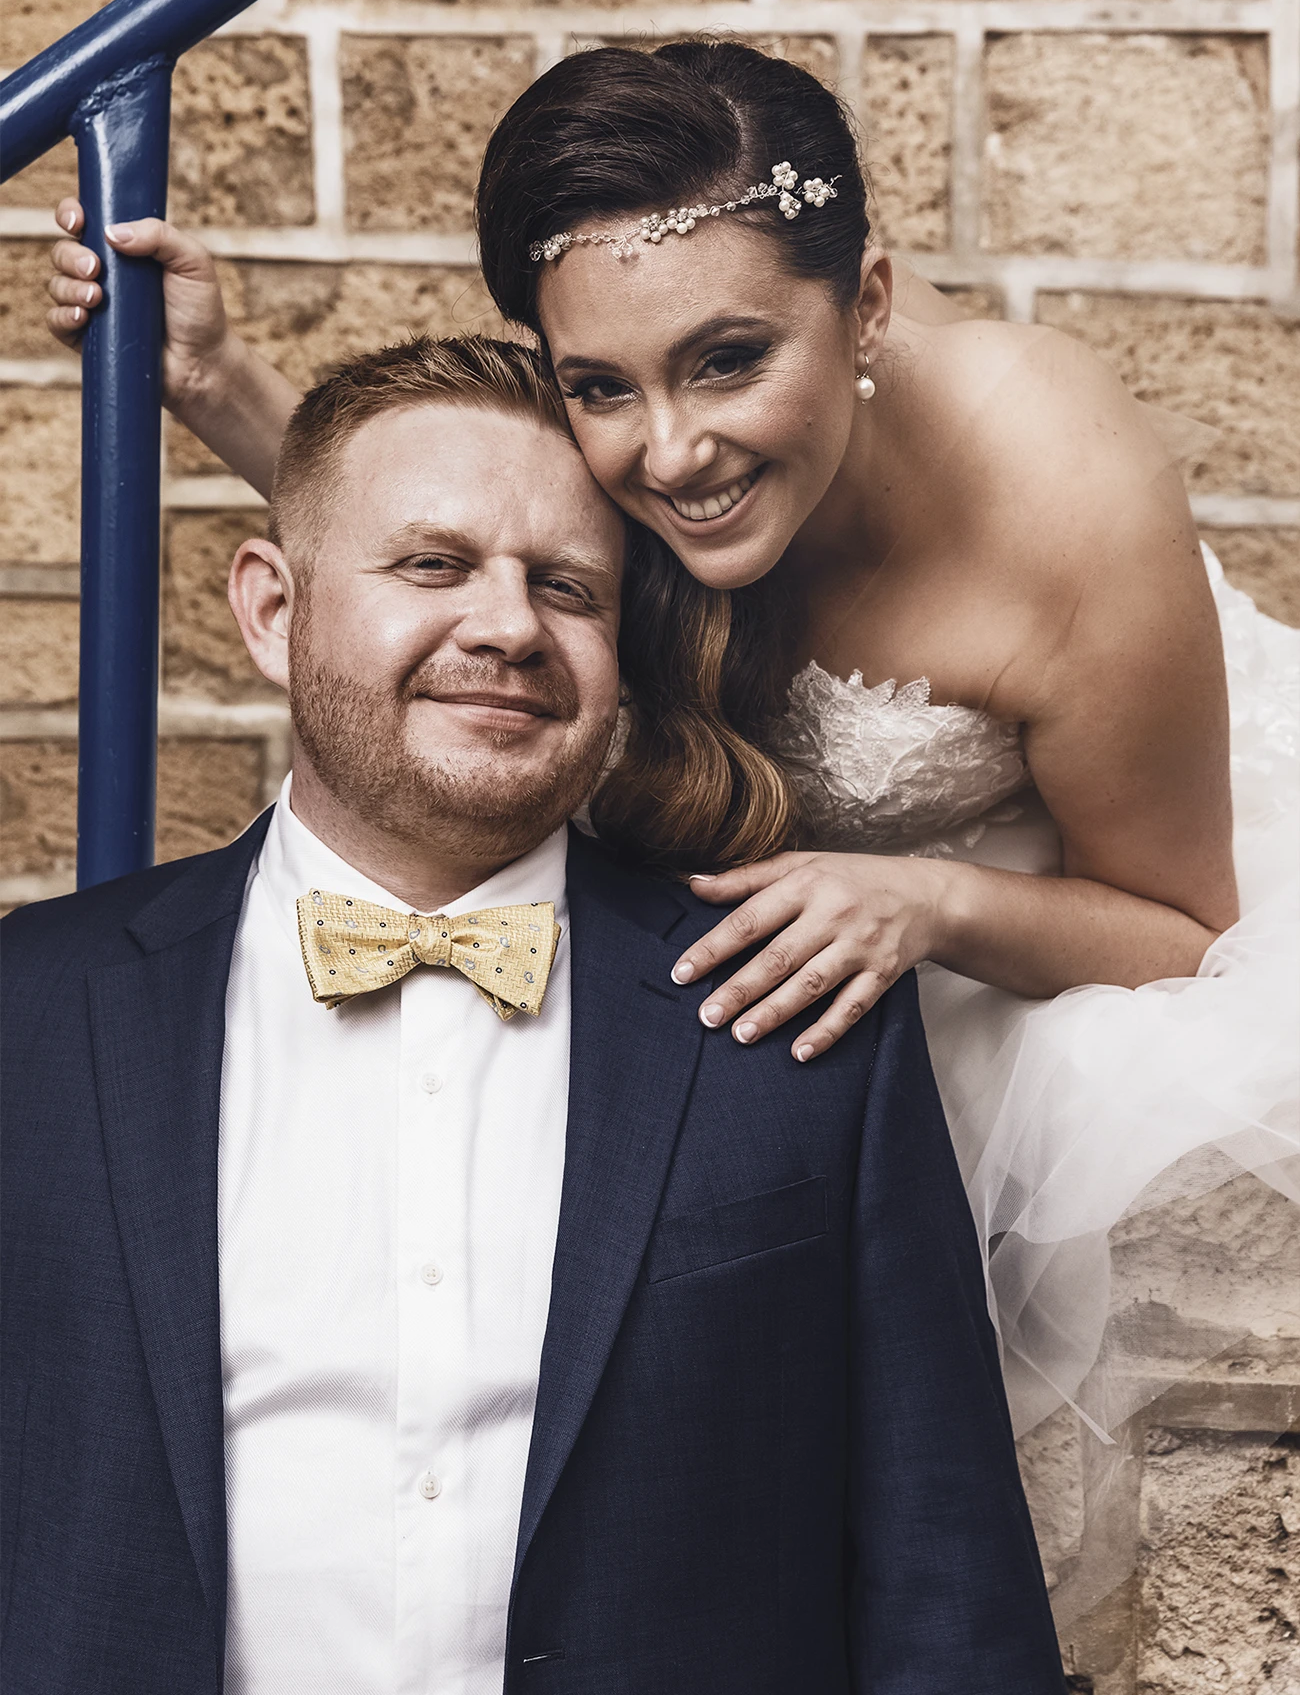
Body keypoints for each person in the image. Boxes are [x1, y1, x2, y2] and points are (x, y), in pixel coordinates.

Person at [42, 38, 1298, 1459]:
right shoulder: (646, 410)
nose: (671, 453)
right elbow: (470, 591)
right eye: (600, 389)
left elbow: (1190, 937)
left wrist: (933, 901)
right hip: (796, 909)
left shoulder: (1065, 508)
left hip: (1066, 913)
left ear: (865, 308)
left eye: (731, 363)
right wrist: (212, 383)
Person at [0, 334, 1066, 1693]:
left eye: (565, 586)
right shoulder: (32, 1013)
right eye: (434, 565)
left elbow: (943, 1568)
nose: (508, 626)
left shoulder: (798, 1018)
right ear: (275, 611)